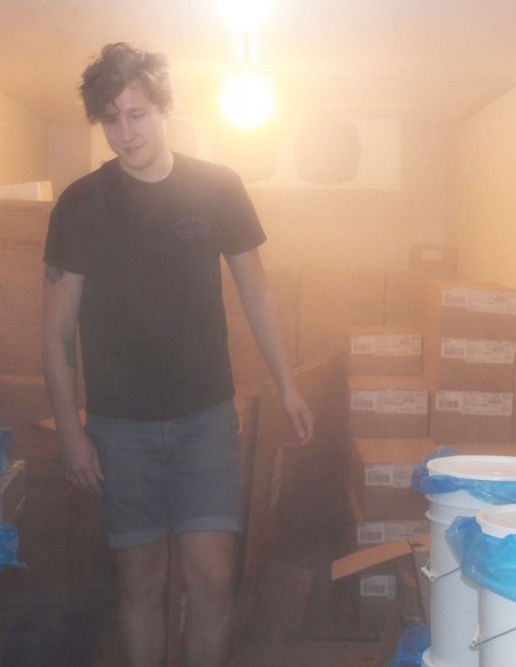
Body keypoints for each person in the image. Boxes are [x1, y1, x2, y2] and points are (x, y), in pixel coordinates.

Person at [41, 42, 314, 667]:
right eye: (110, 118)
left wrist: (288, 383)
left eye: (136, 114)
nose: (124, 131)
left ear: (165, 109)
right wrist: (71, 434)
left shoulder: (217, 188)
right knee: (140, 582)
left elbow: (257, 291)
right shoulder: (81, 203)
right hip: (119, 426)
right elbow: (57, 332)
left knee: (214, 579)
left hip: (205, 419)